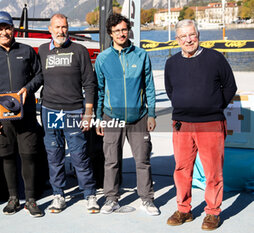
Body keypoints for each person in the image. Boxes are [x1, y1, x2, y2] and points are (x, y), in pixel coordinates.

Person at [164, 19, 237, 231]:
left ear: (198, 36)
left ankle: (213, 212)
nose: (188, 39)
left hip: (211, 124)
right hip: (182, 125)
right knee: (181, 170)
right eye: (183, 36)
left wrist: (213, 106)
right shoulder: (171, 63)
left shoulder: (215, 59)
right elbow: (170, 90)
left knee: (213, 172)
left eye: (192, 35)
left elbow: (230, 86)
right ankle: (184, 210)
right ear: (177, 40)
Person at [0, 11, 44, 217]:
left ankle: (31, 199)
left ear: (13, 29)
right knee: (7, 157)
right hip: (2, 118)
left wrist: (28, 88)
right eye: (0, 29)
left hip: (26, 116)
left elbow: (39, 75)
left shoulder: (26, 51)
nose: (4, 32)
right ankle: (13, 198)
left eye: (7, 27)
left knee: (28, 156)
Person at [95, 13, 159, 216]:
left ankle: (147, 199)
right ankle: (111, 199)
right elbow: (98, 90)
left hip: (138, 117)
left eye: (124, 29)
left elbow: (149, 86)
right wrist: (98, 117)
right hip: (111, 117)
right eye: (117, 31)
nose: (121, 34)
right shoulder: (103, 59)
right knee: (111, 160)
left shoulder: (141, 55)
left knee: (142, 160)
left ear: (128, 30)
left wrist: (151, 113)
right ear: (110, 34)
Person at [38, 13, 99, 214]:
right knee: (54, 154)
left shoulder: (79, 51)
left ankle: (89, 194)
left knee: (79, 154)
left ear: (68, 28)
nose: (61, 31)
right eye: (57, 27)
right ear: (50, 29)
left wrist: (88, 112)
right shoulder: (42, 51)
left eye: (64, 27)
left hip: (74, 110)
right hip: (50, 110)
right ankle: (58, 194)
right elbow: (37, 78)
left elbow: (90, 84)